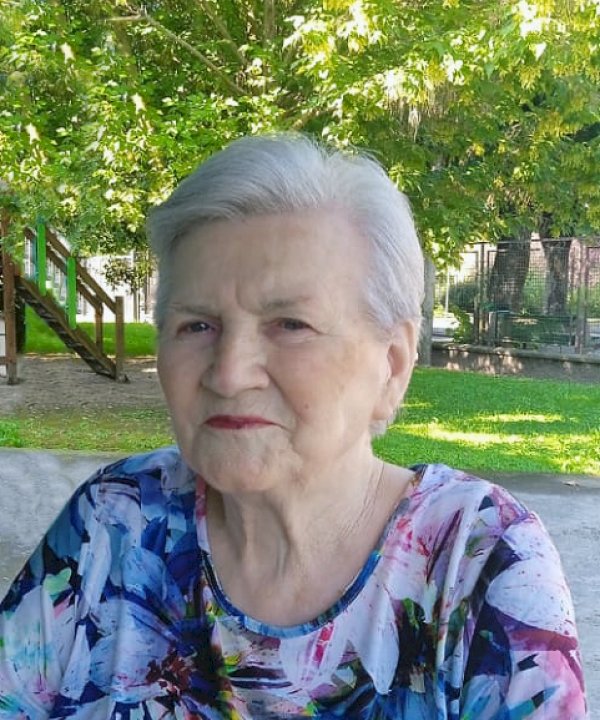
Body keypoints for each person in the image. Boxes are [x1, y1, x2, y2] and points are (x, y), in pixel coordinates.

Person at [0, 134, 587, 719]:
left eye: (290, 324)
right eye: (197, 326)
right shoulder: (114, 520)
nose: (229, 374)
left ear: (391, 365)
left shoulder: (480, 561)